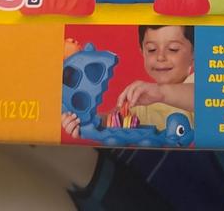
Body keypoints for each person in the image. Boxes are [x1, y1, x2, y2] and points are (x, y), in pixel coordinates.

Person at [62, 25, 195, 137]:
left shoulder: (198, 83)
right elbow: (109, 121)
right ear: (142, 52)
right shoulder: (140, 104)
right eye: (151, 50)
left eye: (173, 49)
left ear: (194, 53)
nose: (160, 57)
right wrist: (82, 121)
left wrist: (161, 93)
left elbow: (202, 98)